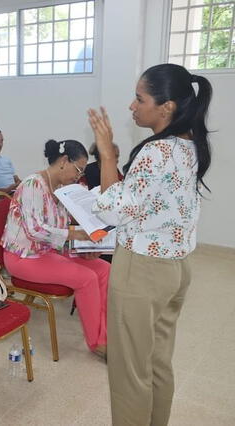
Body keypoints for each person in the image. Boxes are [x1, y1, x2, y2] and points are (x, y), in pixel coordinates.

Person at [88, 64, 212, 426]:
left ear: (166, 107)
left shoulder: (156, 153)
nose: (132, 106)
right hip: (175, 268)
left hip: (141, 271)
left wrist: (107, 157)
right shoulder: (190, 144)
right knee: (157, 362)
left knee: (129, 372)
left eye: (140, 99)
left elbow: (112, 211)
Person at [1, 139, 109, 355]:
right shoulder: (33, 184)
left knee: (104, 270)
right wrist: (74, 234)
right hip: (24, 257)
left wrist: (83, 248)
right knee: (86, 278)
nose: (78, 176)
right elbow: (36, 230)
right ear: (63, 161)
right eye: (78, 169)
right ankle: (98, 344)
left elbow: (62, 228)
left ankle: (107, 333)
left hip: (50, 251)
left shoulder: (62, 188)